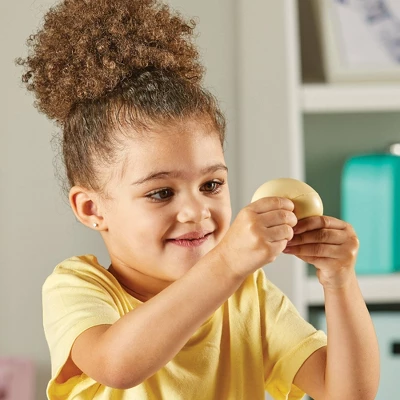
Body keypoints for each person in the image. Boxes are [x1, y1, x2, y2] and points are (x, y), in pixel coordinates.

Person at [17, 0, 380, 399]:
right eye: (161, 193)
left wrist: (340, 282)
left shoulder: (249, 298)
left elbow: (350, 394)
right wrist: (228, 263)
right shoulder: (78, 287)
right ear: (92, 209)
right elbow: (118, 366)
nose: (196, 211)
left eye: (211, 185)